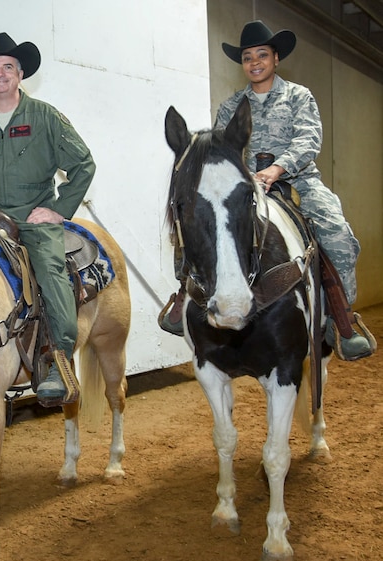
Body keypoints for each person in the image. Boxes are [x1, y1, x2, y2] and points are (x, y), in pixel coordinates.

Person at [158, 20, 373, 361]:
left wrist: (276, 169)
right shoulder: (231, 107)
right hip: (245, 185)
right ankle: (188, 294)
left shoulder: (298, 96)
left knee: (337, 233)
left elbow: (309, 140)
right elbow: (221, 152)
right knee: (194, 223)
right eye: (247, 57)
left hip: (298, 181)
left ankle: (340, 319)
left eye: (261, 54)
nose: (254, 62)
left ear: (275, 58)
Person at [0, 33, 96, 405]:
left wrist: (59, 209)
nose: (0, 73)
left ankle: (58, 358)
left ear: (20, 73)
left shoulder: (45, 117)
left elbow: (83, 164)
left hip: (33, 219)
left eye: (8, 66)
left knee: (49, 270)